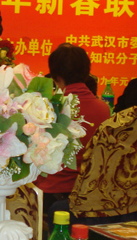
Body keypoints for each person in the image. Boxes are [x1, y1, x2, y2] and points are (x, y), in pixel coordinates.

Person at [34, 43, 110, 213]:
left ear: (55, 76)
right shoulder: (104, 109)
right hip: (89, 194)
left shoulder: (48, 109)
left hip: (51, 192)